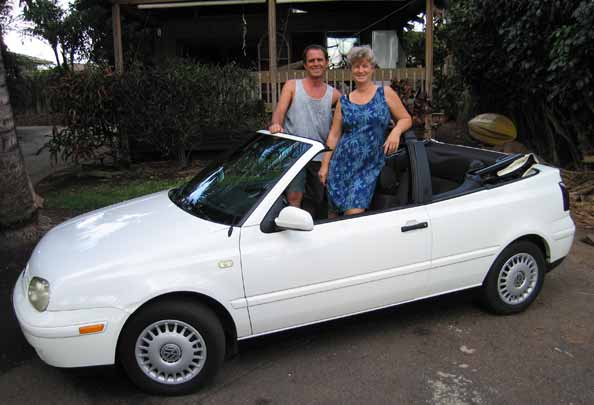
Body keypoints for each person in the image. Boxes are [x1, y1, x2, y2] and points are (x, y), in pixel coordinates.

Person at [319, 46, 412, 216]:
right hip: (341, 165)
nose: (360, 70)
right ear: (351, 69)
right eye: (356, 66)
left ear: (372, 68)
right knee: (333, 218)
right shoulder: (344, 101)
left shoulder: (385, 93)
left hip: (369, 165)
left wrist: (395, 132)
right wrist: (325, 165)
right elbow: (334, 134)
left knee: (353, 213)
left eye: (364, 66)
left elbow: (406, 118)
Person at [269, 44, 341, 219]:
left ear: (326, 63)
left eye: (319, 60)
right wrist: (276, 124)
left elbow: (343, 122)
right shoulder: (292, 86)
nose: (316, 63)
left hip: (320, 156)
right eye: (311, 61)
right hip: (296, 154)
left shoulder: (335, 95)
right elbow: (278, 114)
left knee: (319, 201)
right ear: (306, 64)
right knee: (294, 197)